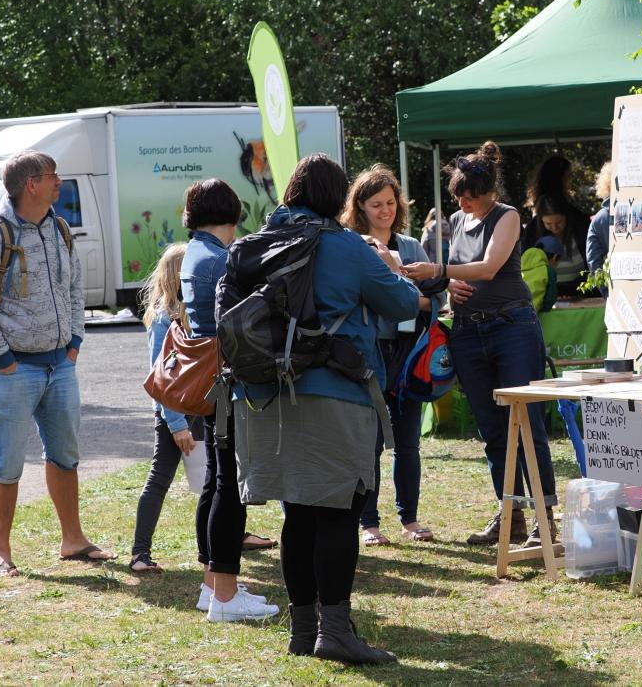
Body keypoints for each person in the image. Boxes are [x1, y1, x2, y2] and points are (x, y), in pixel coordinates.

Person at [224, 154, 419, 665]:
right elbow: (401, 305)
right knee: (338, 511)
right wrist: (392, 266)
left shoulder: (252, 245)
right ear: (339, 200)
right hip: (336, 392)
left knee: (299, 512)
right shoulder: (346, 246)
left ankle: (303, 629)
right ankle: (333, 631)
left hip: (265, 397)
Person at [0, 149, 112, 578]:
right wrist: (4, 359)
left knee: (66, 455)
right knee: (7, 463)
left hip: (59, 366)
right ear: (31, 184)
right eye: (52, 176)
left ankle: (73, 540)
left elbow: (75, 288)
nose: (59, 182)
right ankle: (2, 553)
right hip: (13, 370)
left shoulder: (59, 229)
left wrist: (74, 342)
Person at [403, 141, 557, 547]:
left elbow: (489, 266)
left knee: (528, 426)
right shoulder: (457, 218)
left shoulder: (507, 216)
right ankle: (511, 514)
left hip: (512, 328)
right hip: (469, 332)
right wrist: (449, 280)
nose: (464, 202)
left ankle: (545, 518)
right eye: (458, 195)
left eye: (471, 196)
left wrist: (438, 269)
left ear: (491, 191)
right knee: (492, 430)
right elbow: (465, 271)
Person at [181, 178, 277, 623]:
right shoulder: (219, 259)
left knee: (216, 483)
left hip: (207, 382)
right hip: (227, 381)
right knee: (228, 487)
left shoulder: (195, 252)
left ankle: (212, 587)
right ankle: (225, 595)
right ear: (233, 211)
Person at [341, 165, 438, 548]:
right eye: (376, 204)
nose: (386, 210)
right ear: (359, 207)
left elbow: (434, 301)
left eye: (391, 202)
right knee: (370, 442)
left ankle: (409, 518)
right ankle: (369, 523)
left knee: (408, 441)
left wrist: (399, 281)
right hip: (367, 353)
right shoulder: (351, 246)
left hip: (409, 351)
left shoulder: (412, 246)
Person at [129, 243, 197, 574]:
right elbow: (162, 376)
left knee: (213, 480)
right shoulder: (163, 318)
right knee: (159, 479)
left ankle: (229, 540)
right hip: (175, 414)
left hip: (196, 409)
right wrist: (177, 424)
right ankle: (140, 553)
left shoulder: (189, 310)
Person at [524, 194, 589, 295]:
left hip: (581, 293)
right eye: (548, 224)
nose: (554, 228)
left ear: (566, 217)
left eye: (559, 222)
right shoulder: (532, 235)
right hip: (545, 295)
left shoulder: (581, 230)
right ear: (541, 221)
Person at [521, 234, 562, 313]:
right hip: (529, 314)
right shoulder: (548, 270)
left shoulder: (518, 267)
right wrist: (544, 309)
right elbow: (551, 297)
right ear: (555, 257)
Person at [585, 161, 614, 274]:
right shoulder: (601, 219)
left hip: (614, 287)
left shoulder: (600, 219)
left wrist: (606, 291)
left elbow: (593, 261)